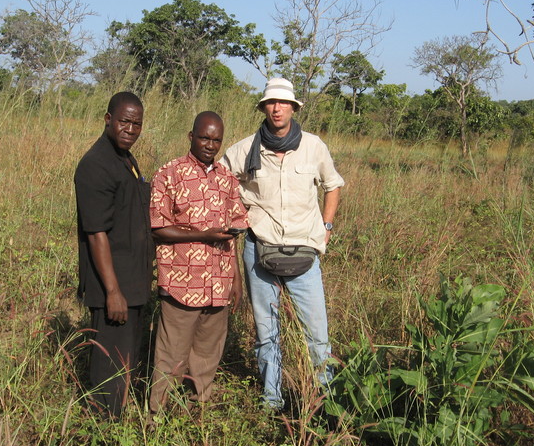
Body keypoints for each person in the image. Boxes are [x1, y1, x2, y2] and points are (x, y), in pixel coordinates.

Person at [221, 78, 345, 410]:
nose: (277, 108)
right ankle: (272, 400)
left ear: (293, 107)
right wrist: (238, 211)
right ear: (263, 108)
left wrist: (326, 228)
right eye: (271, 103)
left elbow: (332, 185)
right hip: (259, 248)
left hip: (305, 250)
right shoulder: (244, 149)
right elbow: (219, 179)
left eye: (283, 102)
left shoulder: (314, 146)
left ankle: (324, 401)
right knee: (266, 332)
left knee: (317, 334)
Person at [148, 111, 248, 414]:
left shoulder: (227, 179)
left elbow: (234, 232)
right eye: (204, 137)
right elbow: (157, 226)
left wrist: (236, 279)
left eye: (216, 140)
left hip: (218, 282)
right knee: (171, 355)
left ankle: (198, 411)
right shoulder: (169, 174)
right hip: (182, 282)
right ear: (191, 136)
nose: (210, 145)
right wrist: (203, 234)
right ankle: (157, 416)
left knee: (207, 353)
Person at [74, 91, 154, 419]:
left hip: (131, 281)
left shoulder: (125, 159)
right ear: (108, 119)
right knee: (109, 365)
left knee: (125, 360)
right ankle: (105, 432)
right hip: (114, 285)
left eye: (136, 124)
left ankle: (117, 423)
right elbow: (96, 233)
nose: (130, 129)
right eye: (124, 121)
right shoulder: (95, 165)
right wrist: (113, 291)